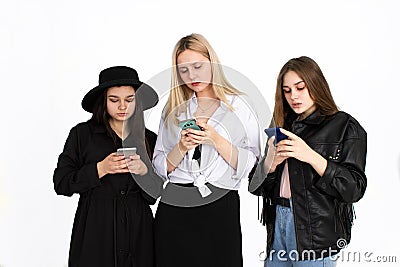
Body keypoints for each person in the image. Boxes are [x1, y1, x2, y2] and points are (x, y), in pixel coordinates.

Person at [152, 33, 260, 267]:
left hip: (220, 205)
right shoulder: (173, 110)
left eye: (198, 66)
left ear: (212, 63)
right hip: (175, 205)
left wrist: (216, 139)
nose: (192, 76)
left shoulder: (240, 106)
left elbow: (252, 165)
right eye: (184, 70)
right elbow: (159, 166)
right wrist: (181, 147)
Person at [249, 56, 367, 266]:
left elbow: (354, 189)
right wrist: (271, 163)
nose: (293, 96)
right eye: (287, 90)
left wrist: (311, 156)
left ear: (315, 84)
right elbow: (255, 187)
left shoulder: (345, 126)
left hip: (315, 235)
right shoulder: (282, 125)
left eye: (300, 87)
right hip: (278, 225)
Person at [53, 66, 163, 267]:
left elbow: (155, 194)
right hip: (95, 231)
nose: (122, 106)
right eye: (114, 100)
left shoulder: (149, 139)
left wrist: (143, 171)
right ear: (103, 102)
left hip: (139, 234)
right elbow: (61, 183)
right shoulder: (82, 135)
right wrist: (100, 169)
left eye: (129, 100)